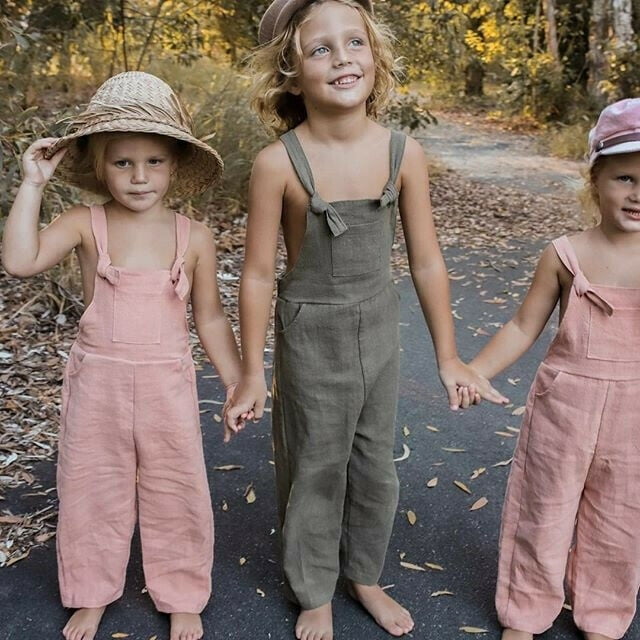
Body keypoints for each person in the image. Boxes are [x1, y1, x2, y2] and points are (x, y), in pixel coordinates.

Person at [225, 2, 507, 638]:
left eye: (354, 42)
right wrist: (251, 373)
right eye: (320, 49)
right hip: (310, 331)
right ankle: (313, 587)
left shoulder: (404, 153)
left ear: (375, 57)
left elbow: (427, 262)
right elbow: (259, 275)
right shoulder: (278, 164)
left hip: (378, 327)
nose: (342, 58)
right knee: (315, 461)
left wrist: (449, 356)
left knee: (375, 462)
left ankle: (364, 574)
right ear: (291, 72)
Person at [2, 71, 242, 640]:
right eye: (123, 162)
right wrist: (32, 184)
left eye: (154, 161)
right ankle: (91, 592)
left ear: (175, 165)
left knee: (177, 486)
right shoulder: (84, 224)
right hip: (98, 385)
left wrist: (237, 382)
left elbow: (209, 317)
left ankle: (181, 592)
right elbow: (19, 261)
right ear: (99, 165)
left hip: (166, 386)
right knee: (92, 484)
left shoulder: (194, 236)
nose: (139, 176)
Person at [467, 97, 640, 640]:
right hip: (565, 408)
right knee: (542, 508)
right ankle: (525, 610)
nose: (638, 194)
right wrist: (477, 370)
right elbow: (523, 326)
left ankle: (603, 614)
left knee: (621, 516)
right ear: (595, 181)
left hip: (635, 414)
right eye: (625, 178)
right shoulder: (564, 254)